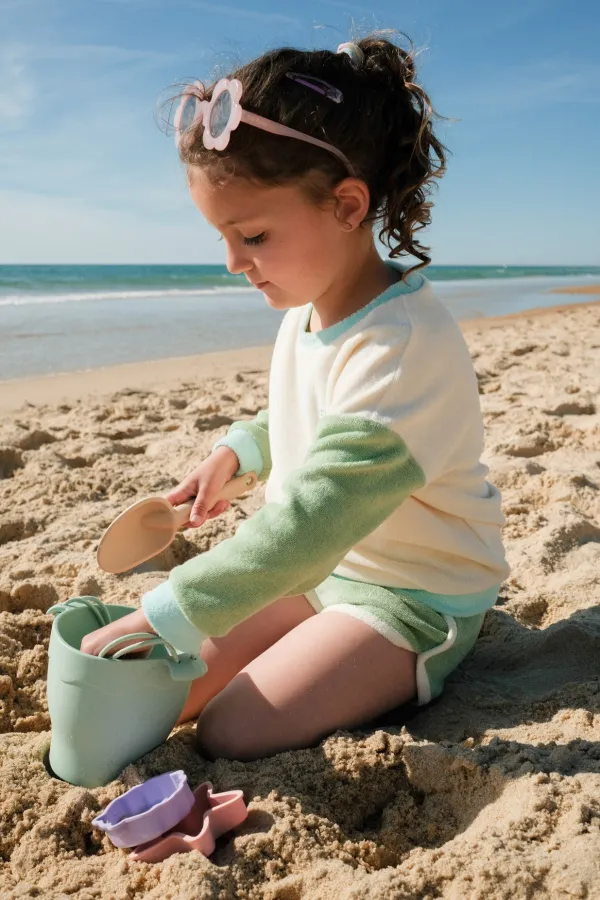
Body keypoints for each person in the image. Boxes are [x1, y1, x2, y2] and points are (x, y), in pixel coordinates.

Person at [81, 34, 509, 761]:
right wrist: (239, 450)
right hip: (323, 570)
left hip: (407, 596)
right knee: (164, 690)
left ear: (346, 205)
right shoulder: (311, 307)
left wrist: (170, 608)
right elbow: (306, 415)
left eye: (251, 234)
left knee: (233, 728)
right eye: (222, 236)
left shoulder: (401, 349)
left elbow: (313, 517)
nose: (232, 263)